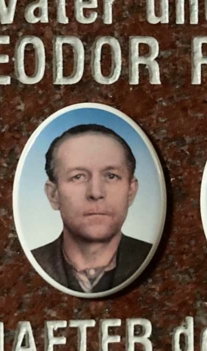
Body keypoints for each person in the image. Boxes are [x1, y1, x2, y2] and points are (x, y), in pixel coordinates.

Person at [31, 123, 152, 294]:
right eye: (78, 177)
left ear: (130, 191)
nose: (96, 192)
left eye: (111, 176)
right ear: (53, 194)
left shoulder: (153, 259)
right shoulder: (30, 264)